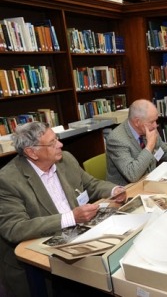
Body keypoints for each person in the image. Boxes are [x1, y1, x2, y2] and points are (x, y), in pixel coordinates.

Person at [0, 121, 125, 297]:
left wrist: (113, 190)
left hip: (78, 237)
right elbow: (14, 228)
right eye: (52, 143)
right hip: (37, 263)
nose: (60, 144)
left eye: (56, 138)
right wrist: (71, 218)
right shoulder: (7, 180)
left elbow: (90, 184)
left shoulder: (65, 159)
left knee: (117, 264)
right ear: (31, 152)